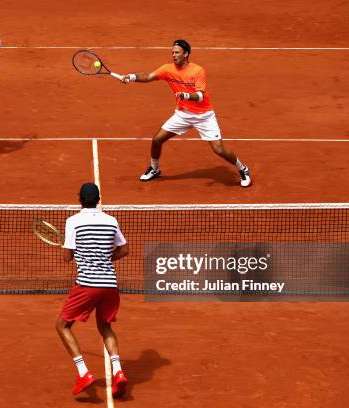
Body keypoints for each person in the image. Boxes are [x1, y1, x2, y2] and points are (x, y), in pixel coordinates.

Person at [120, 39, 251, 187]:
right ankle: (155, 168)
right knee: (157, 140)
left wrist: (186, 95)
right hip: (183, 114)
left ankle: (243, 169)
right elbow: (149, 76)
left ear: (186, 54)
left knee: (218, 149)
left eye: (177, 52)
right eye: (172, 52)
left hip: (204, 116)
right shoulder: (167, 69)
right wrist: (131, 77)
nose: (173, 55)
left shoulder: (198, 71)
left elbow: (200, 96)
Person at [55, 183, 129, 398]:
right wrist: (106, 258)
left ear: (80, 199)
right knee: (105, 327)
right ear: (98, 199)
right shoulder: (111, 221)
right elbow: (124, 249)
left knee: (62, 326)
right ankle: (118, 372)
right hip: (109, 286)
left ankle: (83, 372)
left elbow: (67, 257)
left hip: (87, 285)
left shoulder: (73, 222)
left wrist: (69, 248)